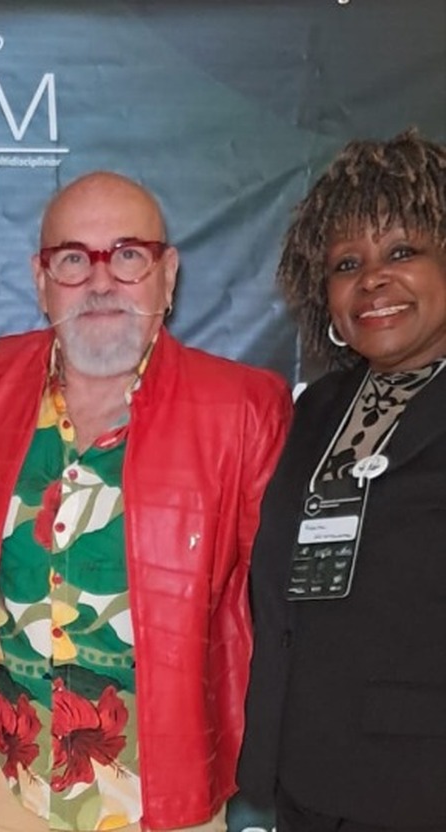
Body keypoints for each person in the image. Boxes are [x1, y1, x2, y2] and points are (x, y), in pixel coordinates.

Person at [0, 171, 292, 832]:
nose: (102, 282)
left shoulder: (243, 410)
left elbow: (277, 615)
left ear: (167, 276)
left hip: (159, 799)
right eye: (74, 258)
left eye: (129, 255)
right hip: (7, 785)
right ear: (41, 279)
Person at [238, 131, 446, 831]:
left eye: (403, 252)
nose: (373, 279)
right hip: (304, 781)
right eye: (347, 263)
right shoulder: (318, 408)